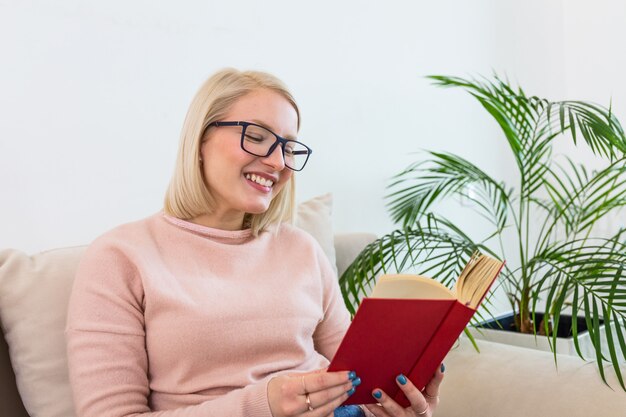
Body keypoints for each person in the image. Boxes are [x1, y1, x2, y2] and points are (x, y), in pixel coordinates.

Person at [65, 68, 444, 417]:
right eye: (257, 137)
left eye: (288, 148)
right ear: (200, 140)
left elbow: (358, 375)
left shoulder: (302, 249)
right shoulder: (121, 257)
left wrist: (405, 408)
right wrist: (262, 405)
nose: (278, 162)